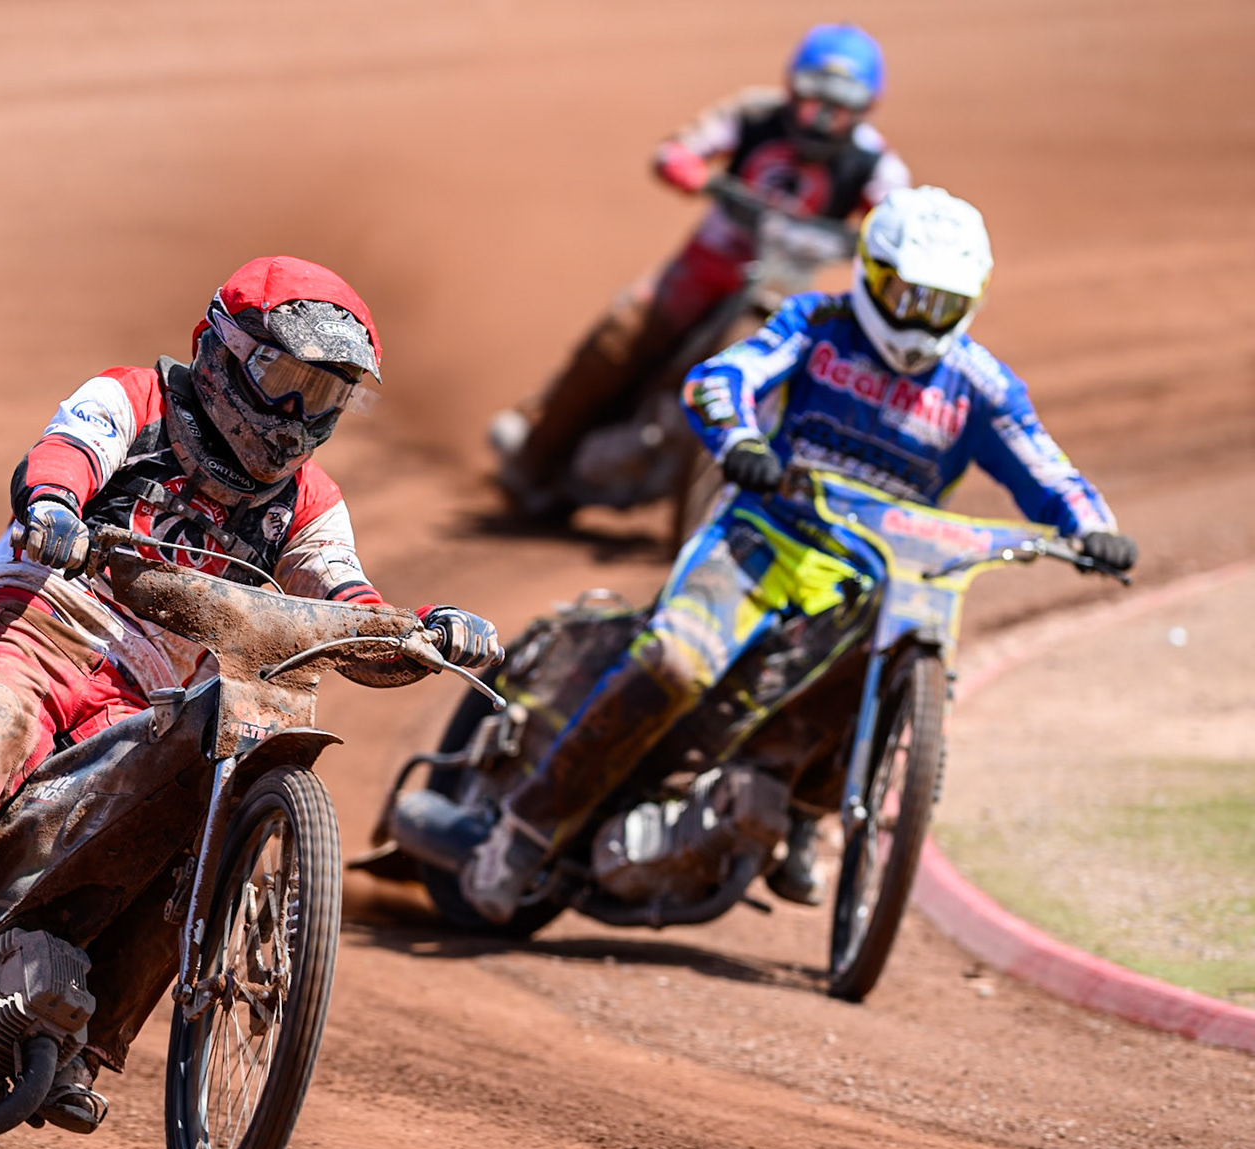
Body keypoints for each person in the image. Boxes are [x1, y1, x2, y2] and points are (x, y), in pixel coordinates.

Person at [0, 256, 502, 1149]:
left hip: (150, 689)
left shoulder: (310, 502)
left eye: (327, 392)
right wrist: (53, 505)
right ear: (219, 351)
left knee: (192, 821)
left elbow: (341, 597)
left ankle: (73, 1041)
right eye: (283, 378)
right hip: (36, 625)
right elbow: (66, 453)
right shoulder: (134, 400)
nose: (299, 416)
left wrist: (423, 632)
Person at [458, 187, 1138, 922]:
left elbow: (1048, 471)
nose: (918, 320)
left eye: (939, 305)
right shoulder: (817, 324)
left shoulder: (981, 385)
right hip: (761, 540)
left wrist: (1091, 528)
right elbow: (722, 379)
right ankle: (524, 832)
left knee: (891, 664)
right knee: (673, 665)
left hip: (873, 577)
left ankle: (804, 817)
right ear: (873, 277)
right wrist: (741, 443)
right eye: (905, 295)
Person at [494, 23, 911, 519]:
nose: (822, 120)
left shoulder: (874, 163)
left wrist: (896, 241)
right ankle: (531, 459)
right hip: (701, 272)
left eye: (839, 109)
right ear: (791, 90)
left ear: (865, 109)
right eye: (813, 102)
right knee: (617, 339)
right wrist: (687, 168)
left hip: (783, 290)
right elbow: (680, 148)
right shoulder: (754, 114)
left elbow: (899, 215)